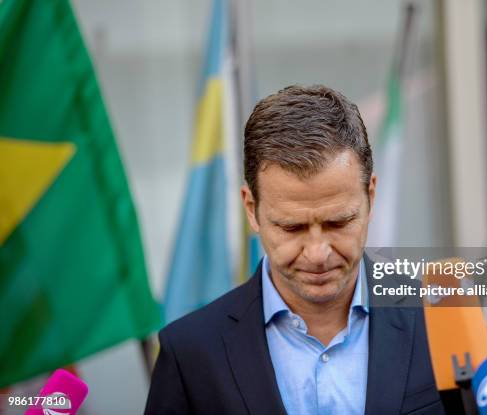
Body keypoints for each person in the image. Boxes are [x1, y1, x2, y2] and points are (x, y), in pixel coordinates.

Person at [144, 85, 444, 414]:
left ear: (371, 197)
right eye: (292, 227)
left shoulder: (445, 323)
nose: (317, 253)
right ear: (250, 208)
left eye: (338, 222)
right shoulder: (190, 354)